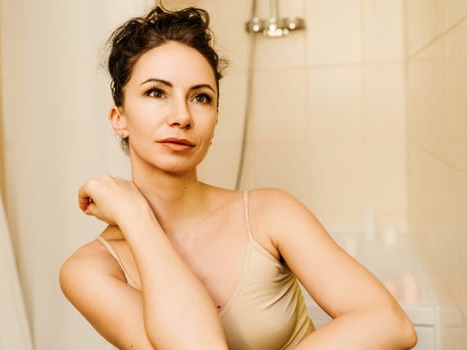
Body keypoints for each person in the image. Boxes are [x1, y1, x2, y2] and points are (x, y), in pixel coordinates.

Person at [59, 5, 417, 350]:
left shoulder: (270, 214)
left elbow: (391, 324)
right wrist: (136, 217)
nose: (181, 115)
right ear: (118, 119)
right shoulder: (90, 270)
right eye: (156, 92)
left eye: (200, 97)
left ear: (215, 119)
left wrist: (134, 213)